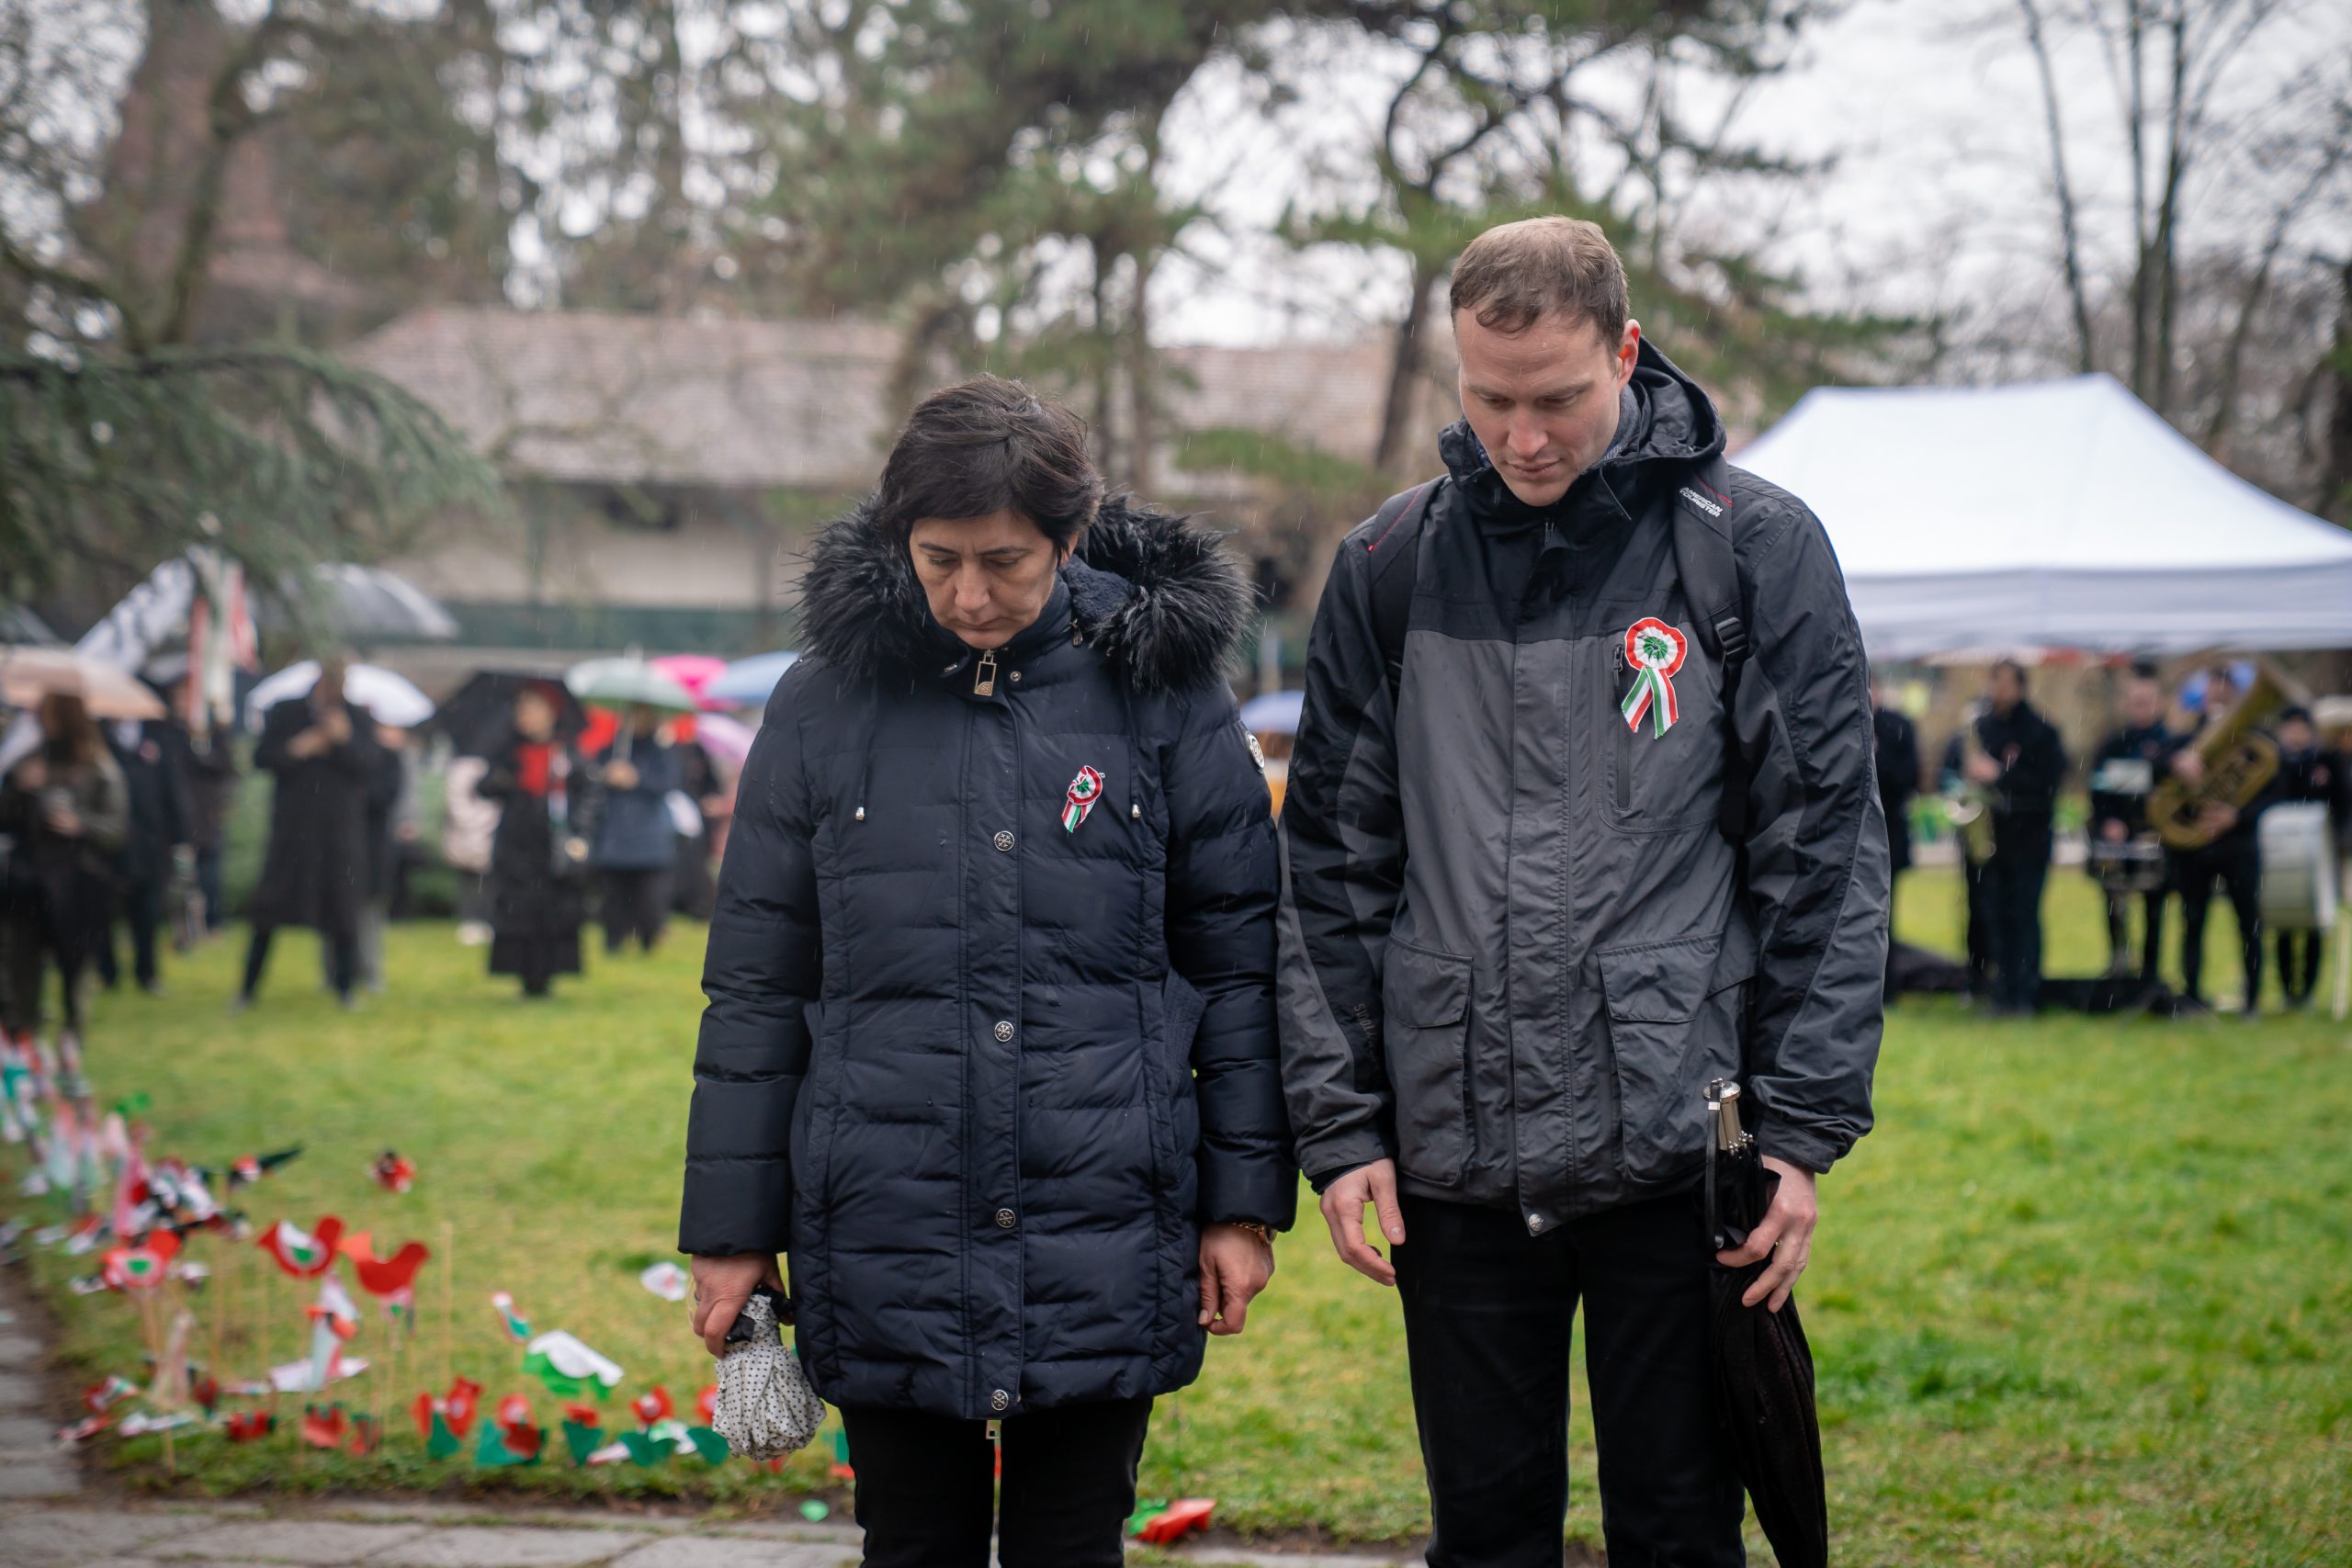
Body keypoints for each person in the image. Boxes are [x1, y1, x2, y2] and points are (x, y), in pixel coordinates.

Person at [1277, 218, 1886, 1567]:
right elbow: (1326, 864)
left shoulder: (1753, 547)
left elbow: (1827, 854)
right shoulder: (1387, 565)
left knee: (1677, 1531)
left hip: (1677, 1147)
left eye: (1555, 398)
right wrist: (1342, 1123)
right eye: (1488, 398)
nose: (1522, 436)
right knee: (1484, 1537)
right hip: (1454, 1153)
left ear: (1625, 351)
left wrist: (1797, 1133)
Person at [680, 377, 1293, 1568]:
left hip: (1106, 1209)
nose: (969, 594)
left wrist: (1239, 1203)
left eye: (1005, 561)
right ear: (899, 537)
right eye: (940, 559)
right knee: (912, 1543)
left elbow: (1237, 966)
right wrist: (731, 1232)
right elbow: (754, 985)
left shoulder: (1165, 693)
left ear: (1069, 537)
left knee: (1075, 1543)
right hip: (882, 1212)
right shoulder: (821, 703)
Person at [236, 656, 385, 1010]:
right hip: (292, 831)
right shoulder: (287, 712)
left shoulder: (356, 717)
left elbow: (371, 766)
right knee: (268, 912)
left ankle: (345, 988)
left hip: (338, 833)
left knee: (343, 912)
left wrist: (344, 740)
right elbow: (262, 758)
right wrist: (298, 748)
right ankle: (247, 990)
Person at [0, 694, 128, 1052]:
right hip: (27, 884)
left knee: (75, 968)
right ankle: (24, 1043)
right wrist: (20, 789)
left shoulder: (98, 767)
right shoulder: (28, 760)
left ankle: (72, 1040)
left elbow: (117, 830)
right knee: (22, 966)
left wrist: (81, 824)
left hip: (78, 885)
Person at [1957, 660, 2065, 1015]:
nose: (1999, 691)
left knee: (2024, 916)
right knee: (1994, 917)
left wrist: (2001, 775)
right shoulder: (1983, 728)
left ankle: (2025, 993)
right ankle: (1999, 991)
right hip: (1993, 841)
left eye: (2006, 683)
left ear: (2020, 687)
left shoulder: (2041, 732)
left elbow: (2048, 783)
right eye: (1995, 682)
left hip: (2028, 841)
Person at [2166, 677, 2271, 1017]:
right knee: (2193, 922)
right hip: (2195, 848)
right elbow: (2156, 769)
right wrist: (2175, 762)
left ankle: (2252, 999)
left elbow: (2275, 790)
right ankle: (2192, 995)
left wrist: (2236, 815)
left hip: (2238, 846)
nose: (2220, 694)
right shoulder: (2185, 739)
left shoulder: (2256, 741)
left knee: (2248, 922)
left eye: (2226, 688)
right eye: (2214, 687)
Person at [481, 685, 592, 998]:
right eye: (523, 709)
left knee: (552, 911)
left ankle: (548, 973)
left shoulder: (567, 754)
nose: (527, 716)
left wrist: (579, 833)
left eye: (535, 709)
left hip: (552, 845)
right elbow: (485, 786)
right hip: (516, 845)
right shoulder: (508, 751)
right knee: (518, 910)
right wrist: (505, 779)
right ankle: (523, 973)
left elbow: (585, 793)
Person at [2086, 666, 2177, 987]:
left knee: (2155, 907)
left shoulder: (2172, 745)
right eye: (2136, 702)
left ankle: (2151, 973)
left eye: (2147, 702)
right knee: (2114, 899)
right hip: (2119, 842)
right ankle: (2118, 964)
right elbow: (2098, 789)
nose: (2142, 708)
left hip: (2158, 839)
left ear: (2160, 703)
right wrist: (2109, 821)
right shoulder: (2113, 744)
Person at [96, 716, 190, 996]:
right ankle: (107, 973)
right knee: (105, 911)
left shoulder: (157, 736)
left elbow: (171, 787)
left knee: (147, 911)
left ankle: (147, 973)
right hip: (111, 842)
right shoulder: (99, 737)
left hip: (151, 842)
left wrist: (181, 836)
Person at [589, 707, 677, 953]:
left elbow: (668, 782)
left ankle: (649, 938)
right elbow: (591, 781)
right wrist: (606, 775)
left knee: (648, 896)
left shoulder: (661, 753)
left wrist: (637, 779)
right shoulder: (611, 751)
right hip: (614, 832)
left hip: (648, 835)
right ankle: (614, 939)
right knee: (613, 895)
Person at [2267, 705, 2335, 1010]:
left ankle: (2307, 990)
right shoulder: (2274, 762)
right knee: (2283, 922)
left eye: (2301, 728)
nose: (2296, 734)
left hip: (2315, 849)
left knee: (2313, 923)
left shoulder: (2324, 761)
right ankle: (2287, 990)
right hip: (2281, 850)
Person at [1872, 677, 1919, 998]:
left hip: (1889, 835)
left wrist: (1878, 754)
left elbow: (1908, 778)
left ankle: (1885, 985)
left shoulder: (1896, 727)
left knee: (1884, 914)